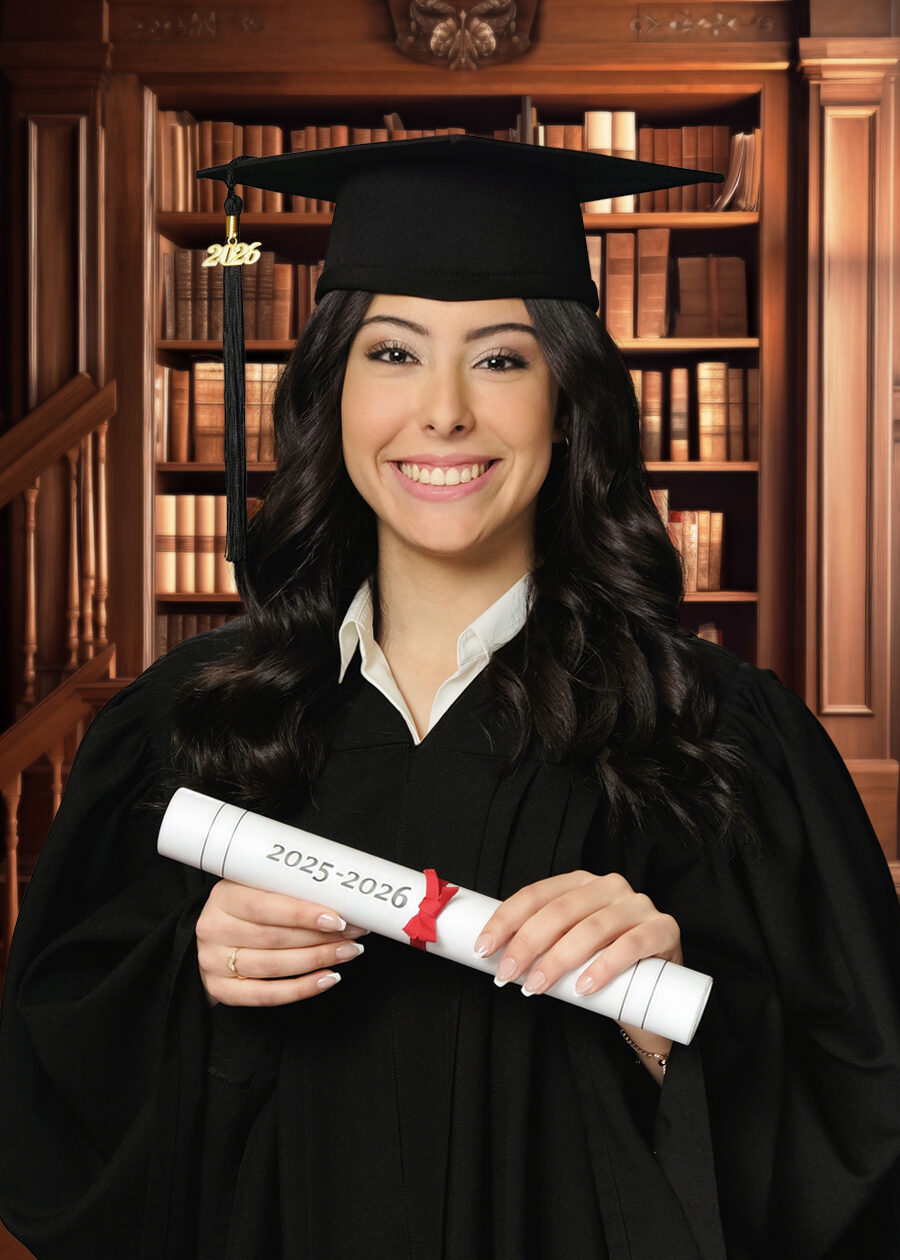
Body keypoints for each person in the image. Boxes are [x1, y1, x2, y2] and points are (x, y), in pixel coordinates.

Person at [1, 137, 899, 1260]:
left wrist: (675, 1024)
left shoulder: (715, 733)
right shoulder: (189, 727)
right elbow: (51, 1080)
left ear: (568, 402)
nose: (441, 415)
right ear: (332, 395)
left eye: (501, 361)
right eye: (392, 353)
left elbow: (859, 1102)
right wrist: (191, 977)